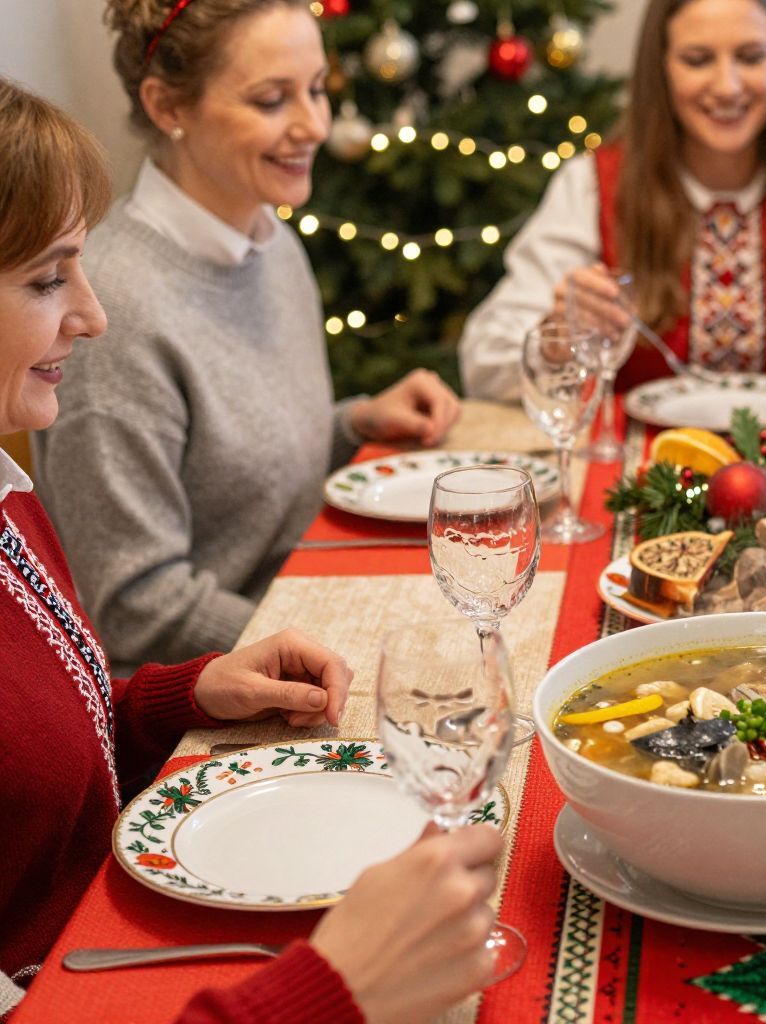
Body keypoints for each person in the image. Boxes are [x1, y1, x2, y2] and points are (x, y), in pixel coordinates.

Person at [0, 78, 502, 1023]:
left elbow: (34, 764)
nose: (94, 316)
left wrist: (181, 696)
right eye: (47, 279)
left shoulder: (6, 496)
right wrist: (333, 991)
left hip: (100, 942)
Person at [32, 0, 463, 675]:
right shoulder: (115, 314)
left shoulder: (271, 240)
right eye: (271, 100)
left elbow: (239, 474)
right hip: (205, 691)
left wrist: (352, 424)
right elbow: (136, 606)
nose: (315, 125)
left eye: (317, 89)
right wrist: (348, 635)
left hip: (296, 611)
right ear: (168, 106)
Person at [457, 0, 766, 406]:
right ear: (660, 68)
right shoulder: (592, 186)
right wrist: (556, 337)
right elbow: (484, 362)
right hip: (640, 470)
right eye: (698, 60)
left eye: (751, 57)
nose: (727, 86)